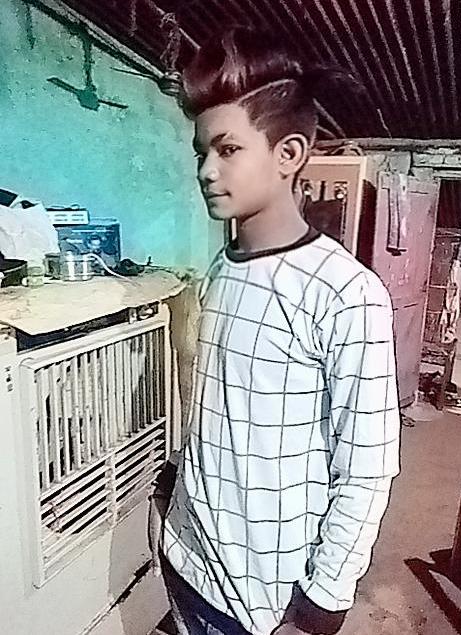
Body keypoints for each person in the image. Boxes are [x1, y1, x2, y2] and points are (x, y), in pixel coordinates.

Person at [149, 26, 400, 635]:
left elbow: (366, 469)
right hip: (185, 562)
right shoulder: (221, 268)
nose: (207, 171)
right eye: (201, 153)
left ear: (288, 154)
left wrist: (319, 609)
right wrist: (174, 494)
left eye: (228, 150)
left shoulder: (345, 293)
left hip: (264, 605)